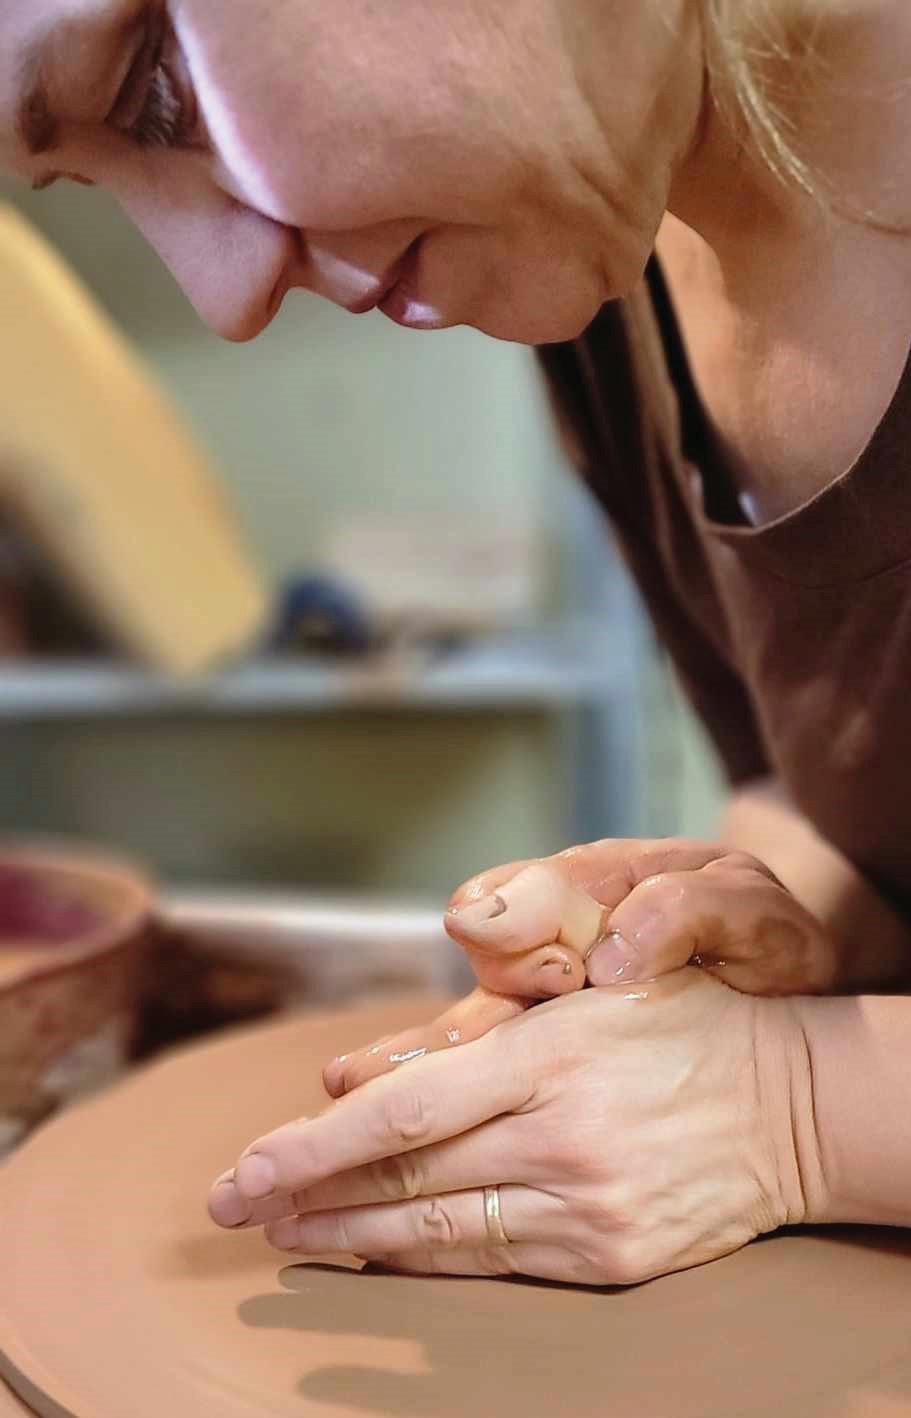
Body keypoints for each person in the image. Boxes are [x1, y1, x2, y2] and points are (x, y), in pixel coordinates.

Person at [3, 0, 910, 1285]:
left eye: (153, 91)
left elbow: (796, 1104)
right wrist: (710, 943)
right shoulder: (608, 256)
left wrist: (797, 1109)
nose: (225, 297)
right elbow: (834, 798)